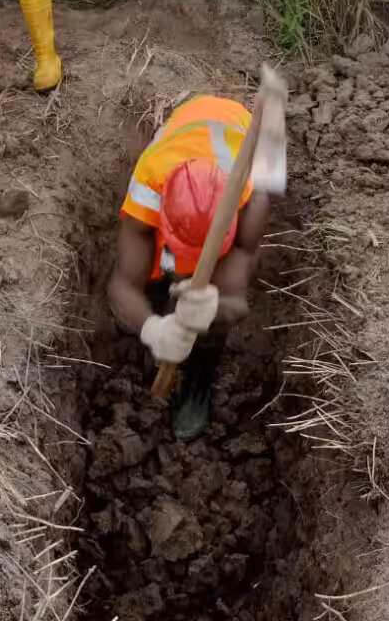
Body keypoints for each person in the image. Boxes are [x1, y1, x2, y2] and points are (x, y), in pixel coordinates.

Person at [108, 95, 271, 442]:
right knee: (144, 276)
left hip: (233, 137)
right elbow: (121, 284)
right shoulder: (149, 186)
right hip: (188, 125)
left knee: (216, 315)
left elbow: (237, 300)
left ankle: (197, 386)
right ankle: (153, 317)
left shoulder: (251, 198)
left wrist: (212, 311)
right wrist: (153, 328)